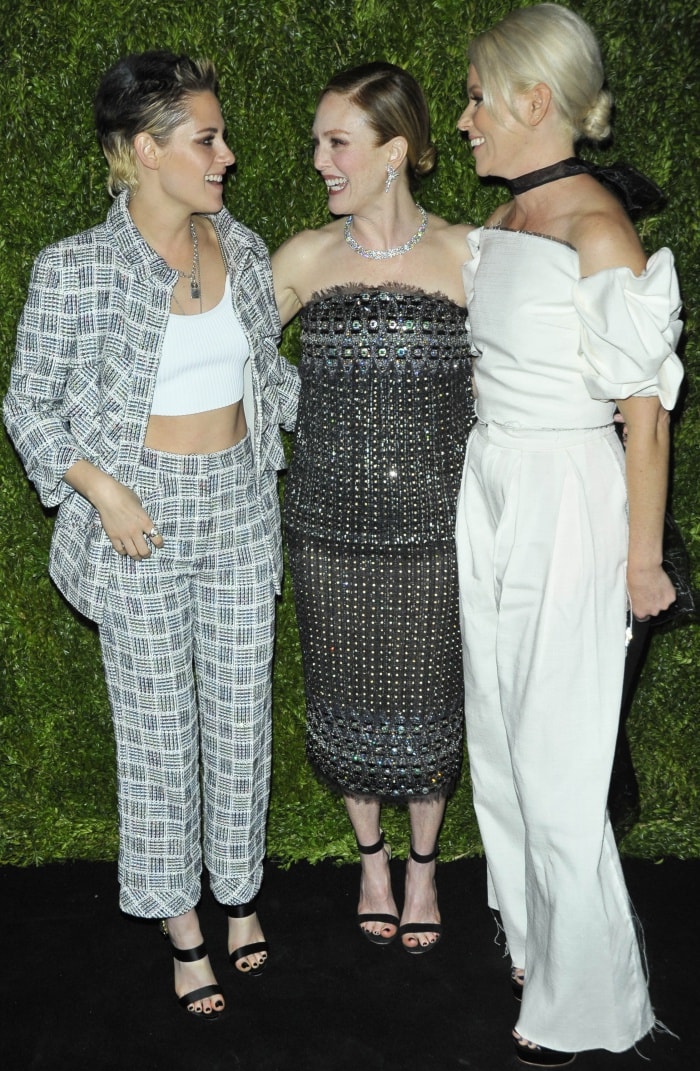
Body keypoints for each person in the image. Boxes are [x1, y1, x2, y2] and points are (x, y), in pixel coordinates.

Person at [4, 50, 299, 1019]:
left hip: (239, 509)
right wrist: (103, 491)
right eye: (206, 138)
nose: (226, 153)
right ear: (143, 150)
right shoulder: (76, 269)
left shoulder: (243, 248)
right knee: (158, 736)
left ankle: (239, 895)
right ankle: (178, 921)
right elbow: (31, 407)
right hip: (138, 523)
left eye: (220, 135)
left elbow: (270, 383)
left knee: (239, 722)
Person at [454, 4, 683, 1065]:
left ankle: (594, 1003)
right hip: (492, 485)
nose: (463, 122)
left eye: (474, 98)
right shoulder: (502, 228)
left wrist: (641, 563)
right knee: (497, 742)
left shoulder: (596, 228)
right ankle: (531, 936)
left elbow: (643, 411)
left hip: (570, 501)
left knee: (555, 757)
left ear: (532, 103)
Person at [272, 62, 474, 953]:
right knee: (346, 699)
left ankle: (424, 869)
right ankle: (372, 861)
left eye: (336, 141)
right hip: (326, 532)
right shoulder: (303, 258)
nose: (319, 158)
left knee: (430, 704)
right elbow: (225, 365)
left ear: (393, 151)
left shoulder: (471, 253)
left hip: (438, 533)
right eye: (319, 140)